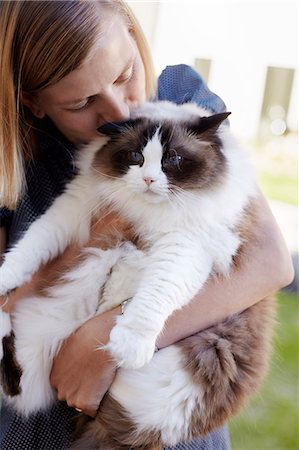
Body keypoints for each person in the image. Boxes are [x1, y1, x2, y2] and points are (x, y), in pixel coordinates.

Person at [0, 1, 293, 449]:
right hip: (40, 423)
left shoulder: (182, 98)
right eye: (81, 102)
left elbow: (270, 263)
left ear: (136, 37)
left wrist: (103, 338)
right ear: (32, 102)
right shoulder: (14, 154)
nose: (119, 111)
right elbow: (12, 303)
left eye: (124, 74)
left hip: (162, 412)